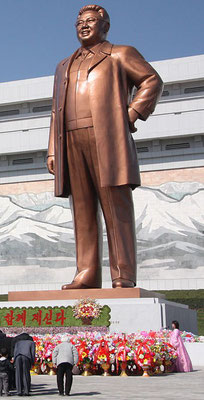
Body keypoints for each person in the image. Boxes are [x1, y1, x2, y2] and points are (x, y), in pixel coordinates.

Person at [47, 4, 163, 289]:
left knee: (116, 206)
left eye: (90, 21)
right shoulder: (64, 64)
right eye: (79, 22)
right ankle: (86, 273)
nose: (83, 26)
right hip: (71, 138)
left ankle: (122, 273)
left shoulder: (120, 54)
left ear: (105, 26)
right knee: (82, 209)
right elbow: (54, 111)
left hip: (107, 138)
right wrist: (52, 149)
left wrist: (130, 115)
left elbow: (151, 80)